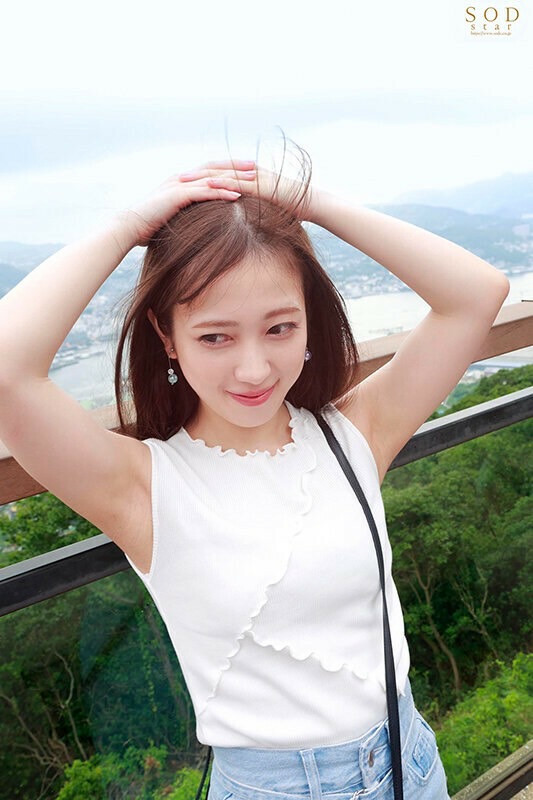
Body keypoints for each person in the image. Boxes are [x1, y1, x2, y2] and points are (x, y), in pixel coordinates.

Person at [0, 137, 509, 800]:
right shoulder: (144, 486)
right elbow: (7, 373)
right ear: (166, 337)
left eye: (279, 328)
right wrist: (126, 228)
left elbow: (476, 295)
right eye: (215, 336)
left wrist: (311, 204)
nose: (253, 368)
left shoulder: (352, 434)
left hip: (407, 756)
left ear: (309, 322)